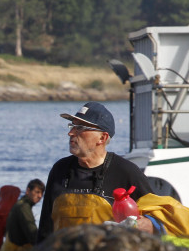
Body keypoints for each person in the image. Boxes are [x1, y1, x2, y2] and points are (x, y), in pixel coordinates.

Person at [38, 101, 161, 242]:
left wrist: (149, 224)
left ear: (102, 138)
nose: (70, 132)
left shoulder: (125, 172)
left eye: (79, 128)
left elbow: (155, 218)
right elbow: (45, 228)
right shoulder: (60, 169)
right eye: (72, 126)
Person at [0, 178, 44, 251]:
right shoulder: (24, 208)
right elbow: (32, 234)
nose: (40, 196)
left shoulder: (21, 204)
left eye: (42, 193)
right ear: (28, 191)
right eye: (37, 192)